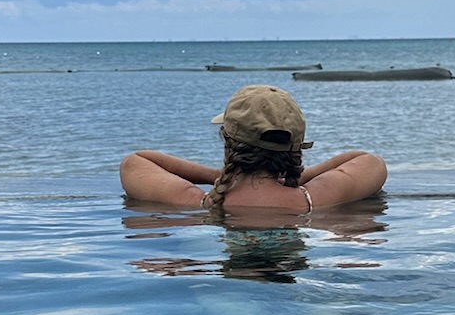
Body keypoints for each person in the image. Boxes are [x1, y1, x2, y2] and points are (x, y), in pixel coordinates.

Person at [120, 83, 387, 216]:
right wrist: (293, 177)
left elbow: (136, 161)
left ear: (227, 140)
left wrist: (225, 176)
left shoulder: (201, 203)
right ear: (296, 147)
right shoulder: (313, 200)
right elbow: (368, 161)